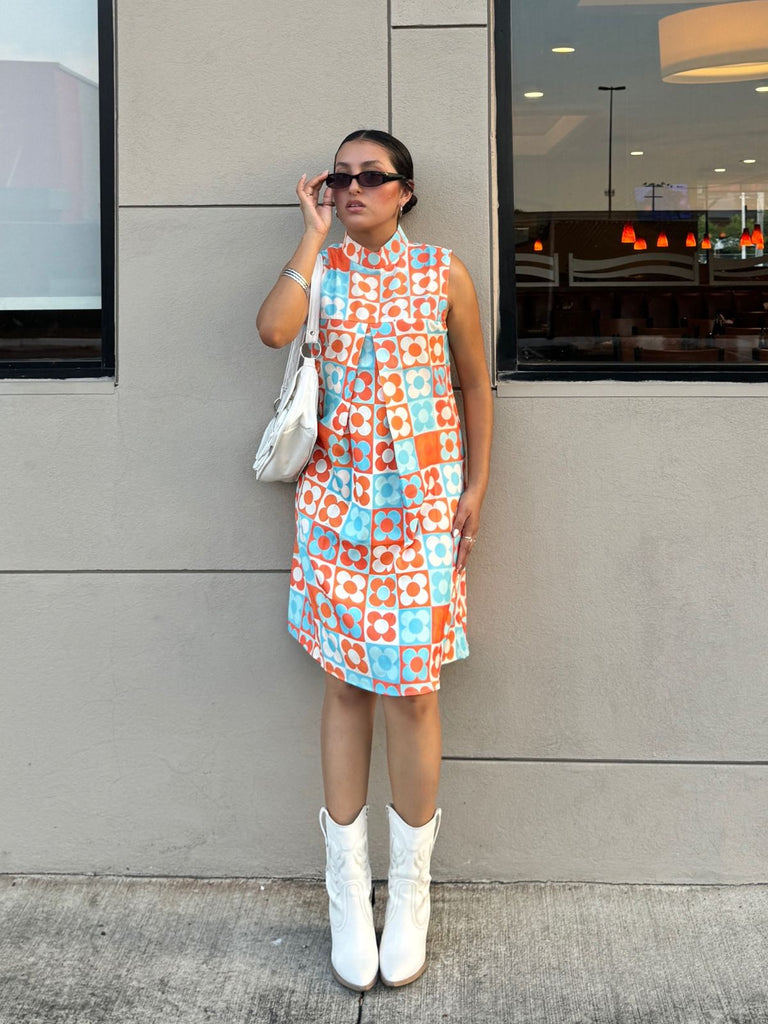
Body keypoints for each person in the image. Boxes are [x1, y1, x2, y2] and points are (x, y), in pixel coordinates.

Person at [256, 129, 493, 991]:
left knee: (415, 690)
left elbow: (475, 383)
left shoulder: (444, 272)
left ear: (405, 191)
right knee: (346, 684)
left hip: (425, 508)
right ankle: (348, 896)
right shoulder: (320, 268)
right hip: (336, 508)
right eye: (340, 177)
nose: (353, 188)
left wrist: (475, 486)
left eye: (371, 178)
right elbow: (270, 329)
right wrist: (312, 231)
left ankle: (415, 894)